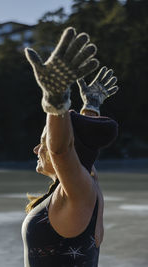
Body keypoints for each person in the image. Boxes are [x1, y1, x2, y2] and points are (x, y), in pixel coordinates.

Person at [21, 27, 119, 267]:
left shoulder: (78, 195)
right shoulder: (87, 185)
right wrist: (91, 107)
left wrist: (56, 100)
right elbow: (83, 150)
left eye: (44, 141)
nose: (37, 149)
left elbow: (62, 151)